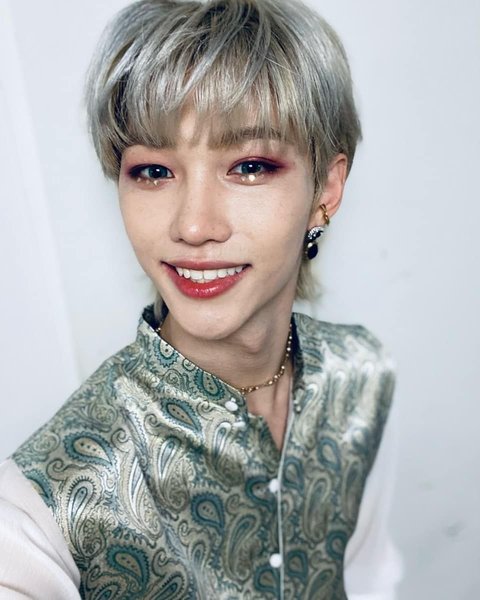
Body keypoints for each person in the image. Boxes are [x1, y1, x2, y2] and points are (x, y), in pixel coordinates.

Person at [0, 0, 402, 598]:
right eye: (153, 171)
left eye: (249, 166)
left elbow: (369, 579)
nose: (193, 225)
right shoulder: (38, 511)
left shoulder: (361, 379)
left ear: (326, 187)